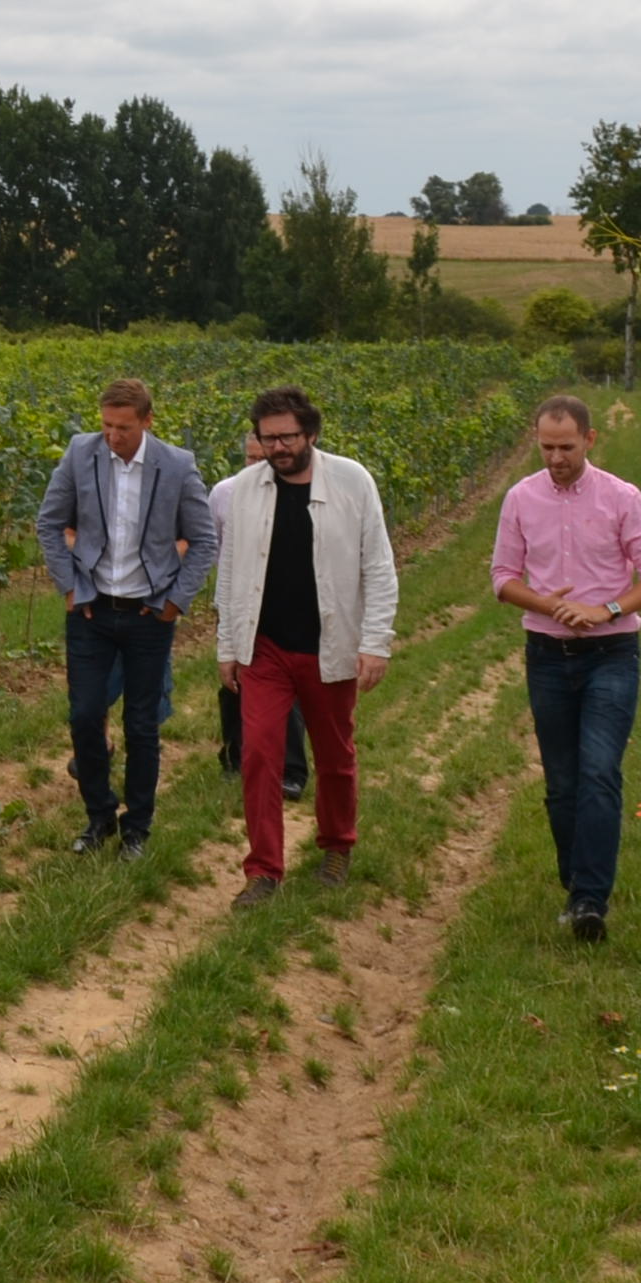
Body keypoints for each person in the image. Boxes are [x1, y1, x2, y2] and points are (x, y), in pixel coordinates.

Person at [491, 394, 641, 942]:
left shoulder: (623, 497)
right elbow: (503, 577)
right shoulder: (520, 498)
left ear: (590, 440)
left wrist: (605, 609)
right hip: (548, 656)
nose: (555, 458)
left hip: (610, 655)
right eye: (546, 447)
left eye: (566, 447)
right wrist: (547, 605)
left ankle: (591, 899)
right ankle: (576, 882)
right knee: (562, 783)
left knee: (599, 772)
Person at [210, 387, 397, 907]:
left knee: (335, 755)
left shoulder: (352, 481)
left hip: (328, 646)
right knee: (259, 755)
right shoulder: (245, 490)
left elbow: (378, 566)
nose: (278, 447)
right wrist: (228, 645)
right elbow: (231, 570)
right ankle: (263, 870)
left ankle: (337, 845)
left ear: (311, 433)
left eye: (287, 437)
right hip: (265, 647)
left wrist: (375, 642)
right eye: (268, 438)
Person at [35, 377, 217, 860]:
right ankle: (99, 815)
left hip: (148, 614)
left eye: (124, 428)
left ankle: (137, 828)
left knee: (141, 724)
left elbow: (204, 539)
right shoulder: (81, 453)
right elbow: (49, 523)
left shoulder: (176, 466)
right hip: (91, 610)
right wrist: (70, 587)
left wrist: (176, 601)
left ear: (147, 421)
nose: (113, 436)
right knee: (85, 715)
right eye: (107, 426)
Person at [207, 426, 308, 803]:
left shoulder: (296, 492)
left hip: (284, 603)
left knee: (287, 684)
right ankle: (236, 756)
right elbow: (216, 547)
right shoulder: (224, 493)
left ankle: (291, 769)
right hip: (237, 601)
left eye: (261, 458)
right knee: (233, 680)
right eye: (250, 457)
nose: (255, 465)